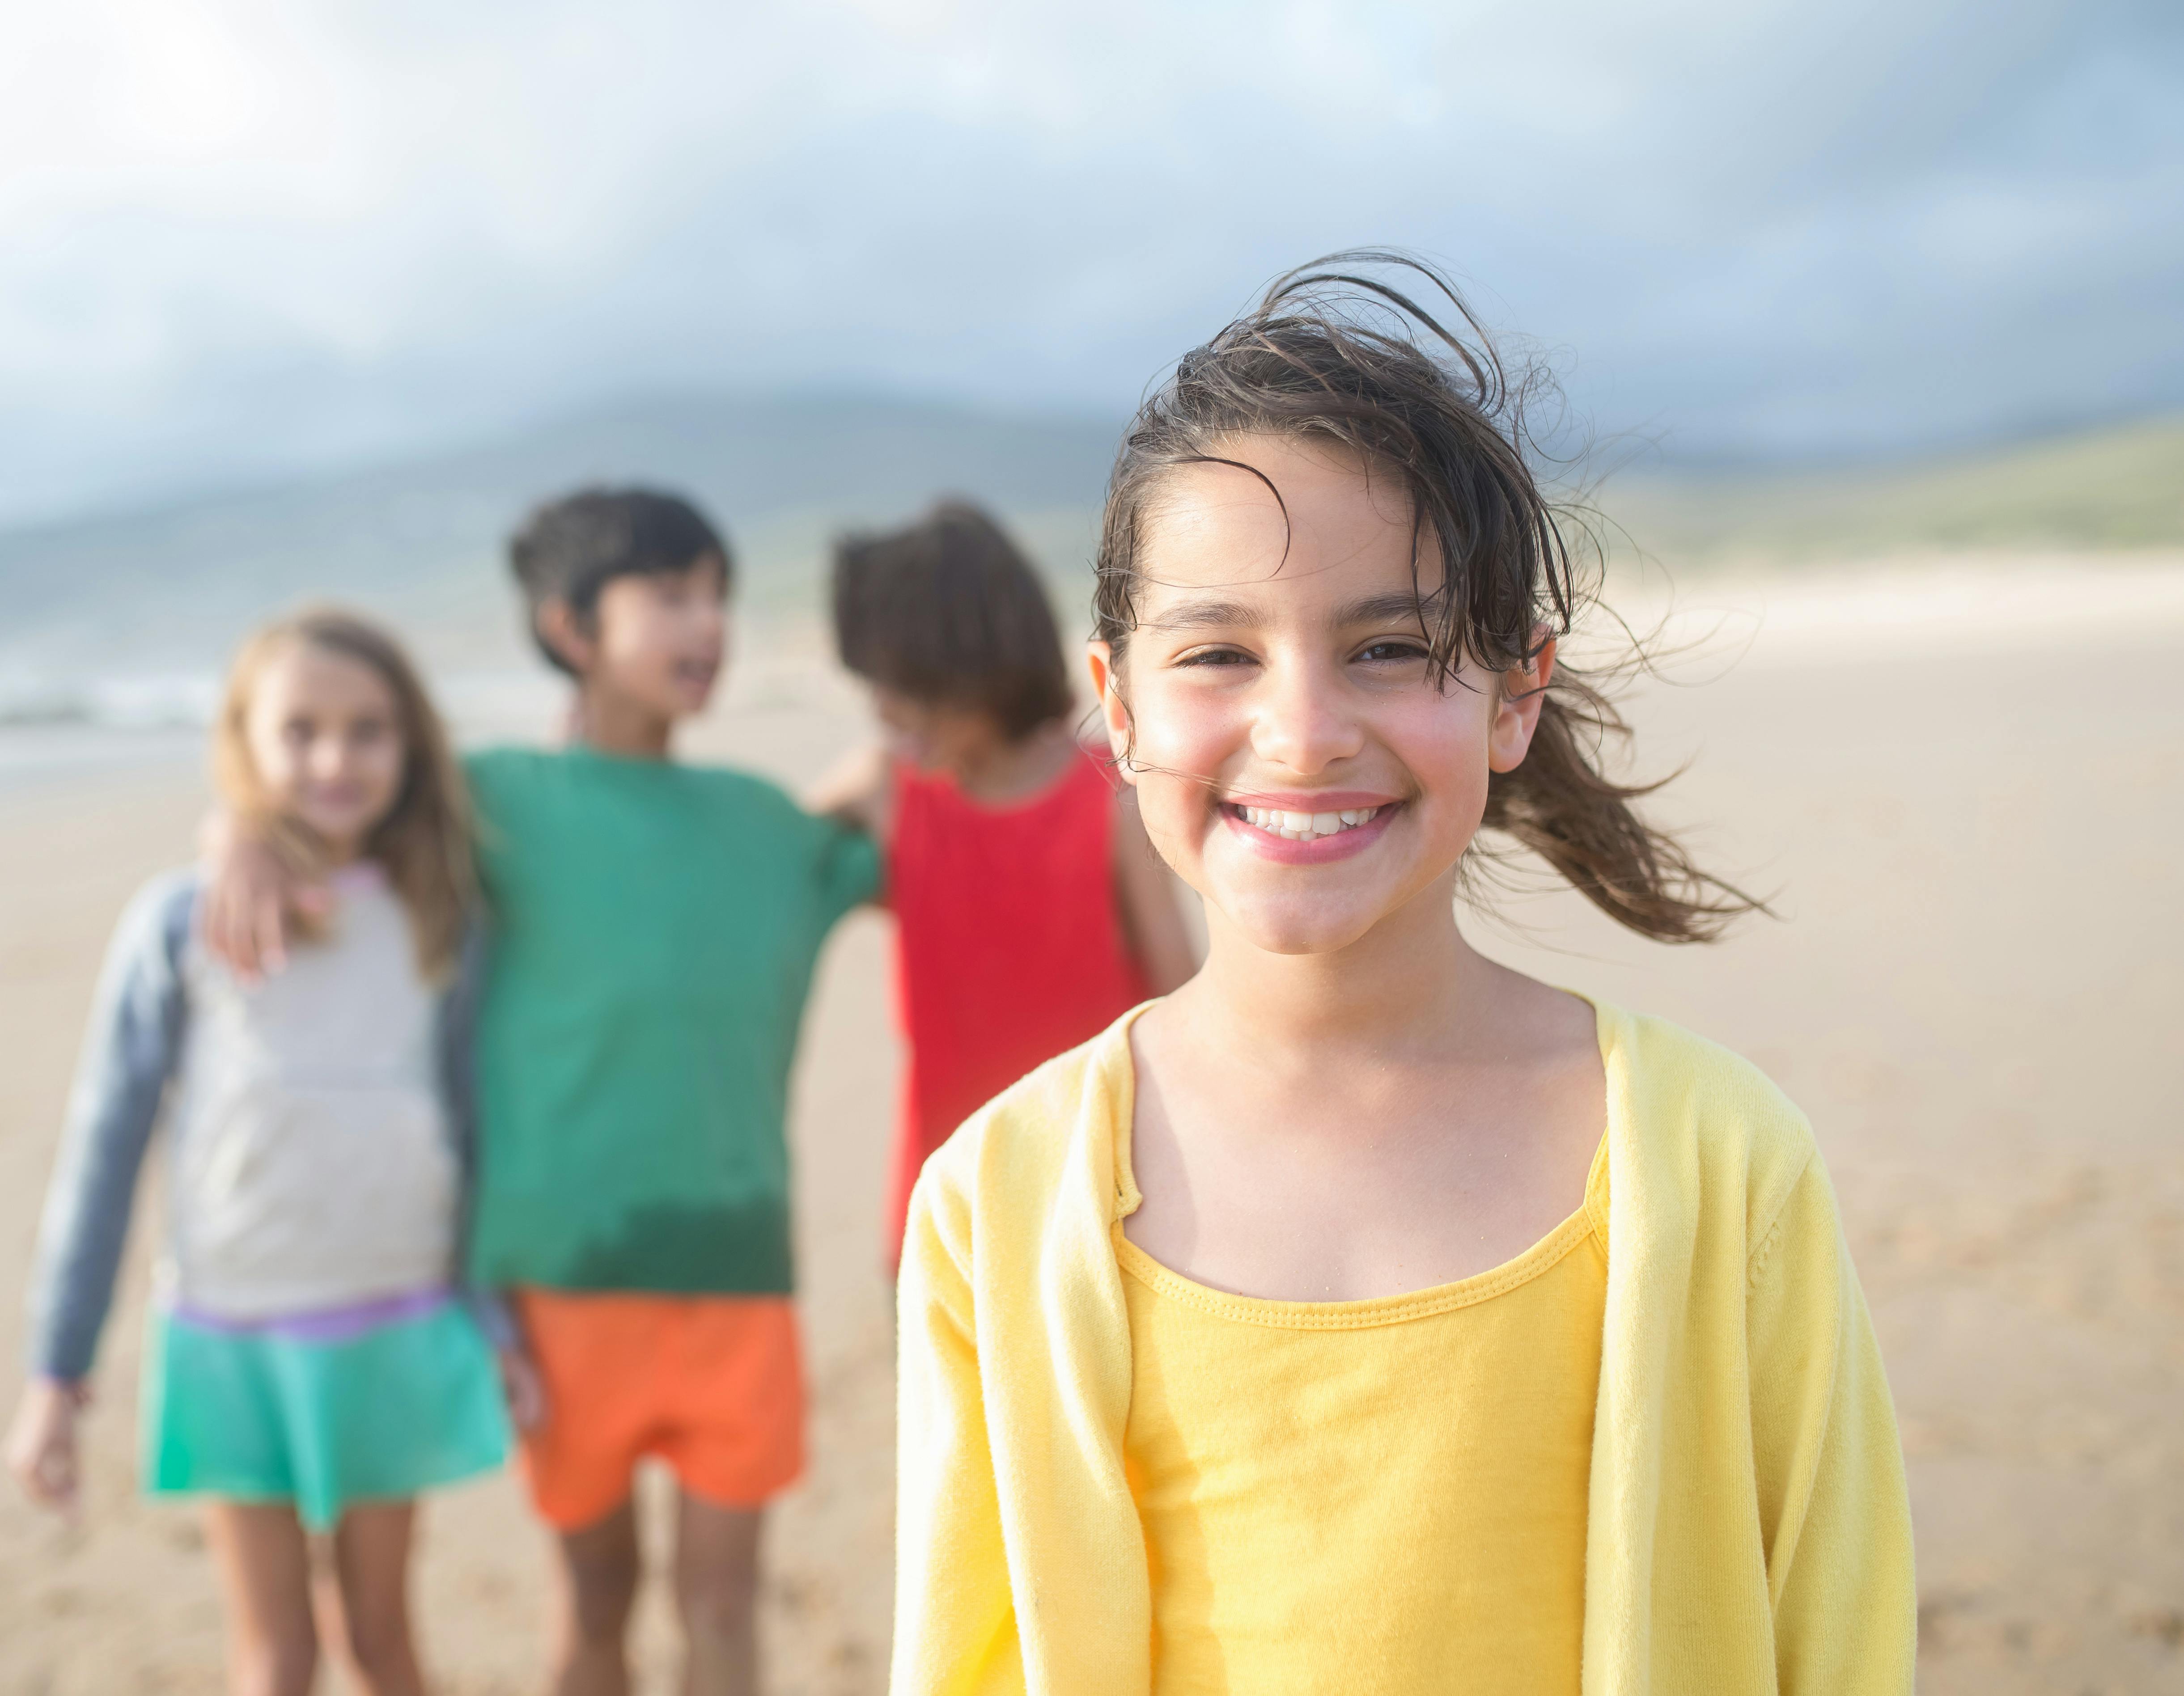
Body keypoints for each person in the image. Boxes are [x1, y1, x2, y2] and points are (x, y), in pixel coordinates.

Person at [891, 253, 1917, 1695]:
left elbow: (1839, 1639)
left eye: (1388, 647)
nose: (1302, 731)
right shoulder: (995, 1202)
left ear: (1514, 695)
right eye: (1216, 653)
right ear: (1114, 706)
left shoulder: (1717, 1163)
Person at [199, 491, 880, 1696]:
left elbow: (927, 818)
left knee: (724, 1611)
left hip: (738, 1276)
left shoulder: (764, 824)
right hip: (559, 1290)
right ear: (570, 626)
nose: (708, 621)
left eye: (717, 594)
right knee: (595, 1600)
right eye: (671, 594)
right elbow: (325, 789)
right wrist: (232, 835)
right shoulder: (489, 801)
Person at [4, 608, 534, 1696]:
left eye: (369, 729)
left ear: (412, 744)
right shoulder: (179, 921)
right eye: (300, 731)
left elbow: (477, 1129)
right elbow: (107, 1145)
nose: (336, 759)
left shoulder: (446, 916)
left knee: (384, 1642)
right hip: (228, 1329)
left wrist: (496, 1313)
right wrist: (57, 1370)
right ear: (243, 741)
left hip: (395, 1316)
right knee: (276, 1657)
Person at [817, 500, 1196, 1269]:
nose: (883, 709)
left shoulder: (1111, 799)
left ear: (971, 663)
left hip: (1102, 1200)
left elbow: (1183, 997)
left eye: (902, 685)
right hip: (944, 1202)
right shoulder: (887, 791)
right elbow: (758, 857)